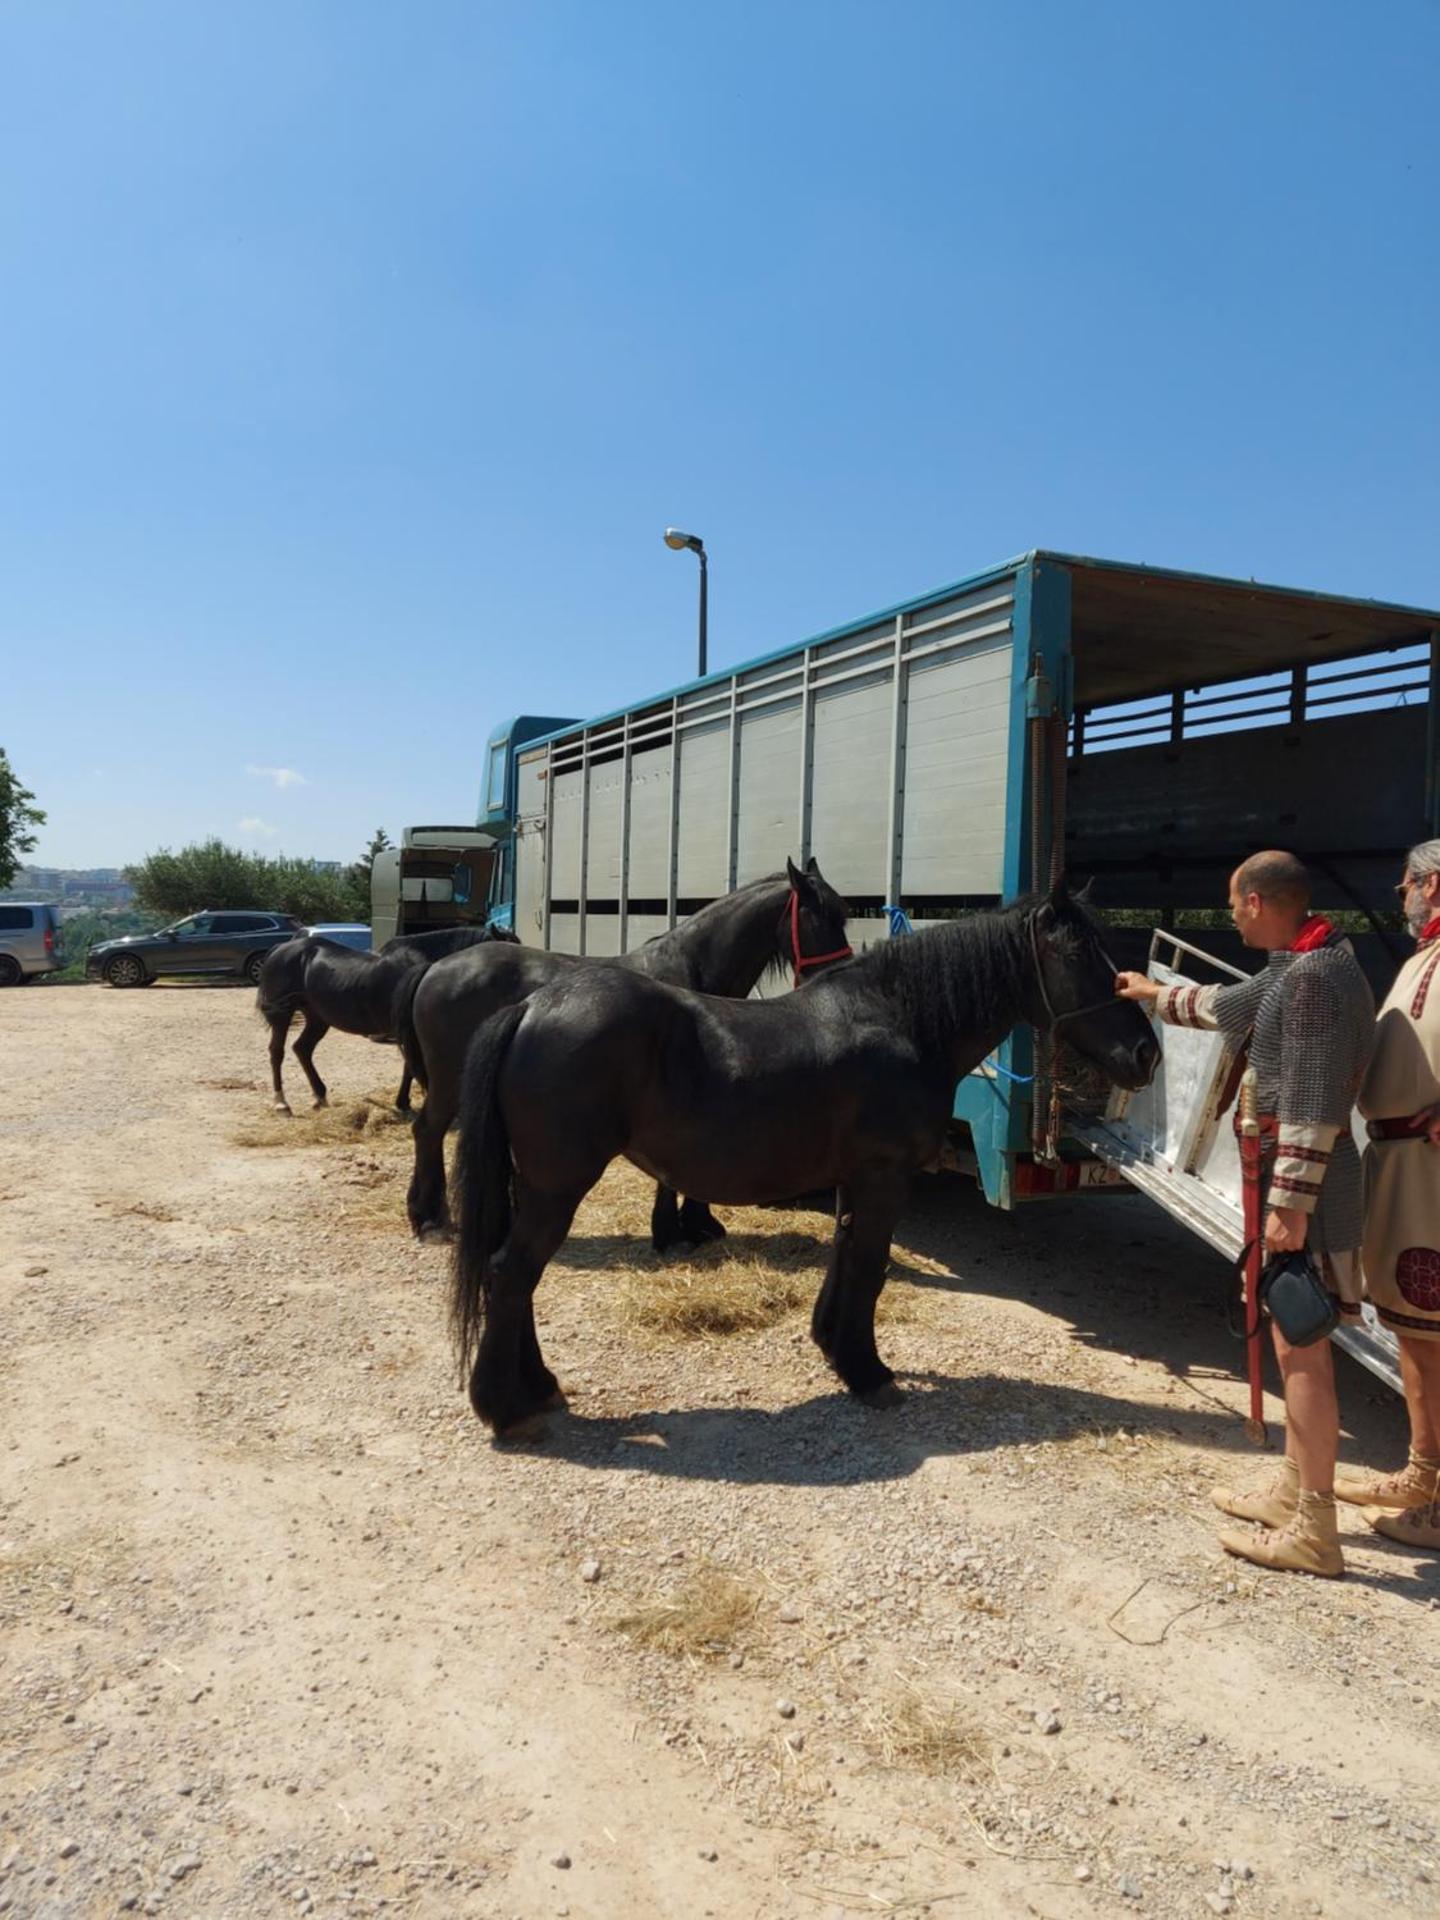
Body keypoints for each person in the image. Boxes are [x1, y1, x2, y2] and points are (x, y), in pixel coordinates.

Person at [1116, 851, 1374, 1577]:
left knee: (1304, 1353)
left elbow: (1317, 1104)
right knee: (1295, 1350)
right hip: (1294, 1190)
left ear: (1259, 902)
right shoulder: (1301, 966)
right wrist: (1148, 994)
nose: (1229, 916)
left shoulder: (1317, 979)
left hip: (1307, 1196)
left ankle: (1316, 1532)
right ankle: (1294, 1491)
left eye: (1234, 903)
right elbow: (1227, 1008)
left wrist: (1288, 1209)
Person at [1334, 839, 1440, 1546]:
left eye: (1410, 881)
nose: (1401, 890)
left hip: (1430, 1167)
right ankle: (1422, 1469)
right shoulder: (1421, 959)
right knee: (1410, 1323)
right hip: (1400, 1160)